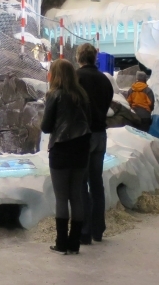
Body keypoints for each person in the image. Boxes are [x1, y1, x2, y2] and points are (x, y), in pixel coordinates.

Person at [41, 59, 92, 254]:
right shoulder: (81, 95)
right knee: (77, 196)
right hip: (81, 148)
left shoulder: (55, 95)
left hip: (61, 149)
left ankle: (61, 242)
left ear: (55, 75)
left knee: (61, 198)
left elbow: (46, 127)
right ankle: (74, 243)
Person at [76, 43, 115, 244]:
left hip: (83, 135)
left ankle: (84, 230)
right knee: (96, 182)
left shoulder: (76, 78)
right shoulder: (104, 80)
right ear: (95, 58)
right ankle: (98, 229)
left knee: (81, 183)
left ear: (78, 58)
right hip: (101, 134)